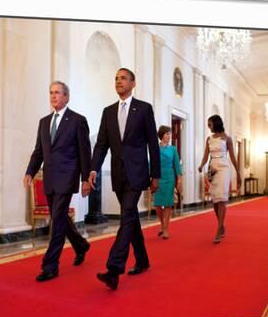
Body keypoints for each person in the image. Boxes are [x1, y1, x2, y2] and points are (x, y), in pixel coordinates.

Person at [88, 68, 160, 290]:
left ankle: (114, 268)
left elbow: (152, 144)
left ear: (133, 83)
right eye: (116, 78)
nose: (119, 81)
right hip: (118, 174)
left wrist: (155, 174)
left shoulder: (144, 109)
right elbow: (101, 144)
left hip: (138, 173)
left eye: (123, 78)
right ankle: (143, 259)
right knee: (131, 219)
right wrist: (93, 169)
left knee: (126, 215)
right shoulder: (108, 112)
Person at [24, 81, 92, 282]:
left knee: (57, 219)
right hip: (50, 178)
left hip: (67, 176)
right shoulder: (44, 122)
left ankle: (50, 265)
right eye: (51, 93)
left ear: (66, 97)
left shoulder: (78, 121)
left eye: (57, 93)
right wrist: (30, 171)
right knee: (59, 217)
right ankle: (80, 245)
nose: (53, 96)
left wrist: (86, 179)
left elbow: (84, 153)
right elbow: (39, 151)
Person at [197, 114, 241, 243]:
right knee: (215, 200)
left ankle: (218, 227)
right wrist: (201, 165)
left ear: (216, 123)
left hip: (224, 167)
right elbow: (205, 156)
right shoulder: (209, 139)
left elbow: (232, 157)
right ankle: (221, 225)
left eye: (210, 124)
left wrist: (238, 173)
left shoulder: (227, 139)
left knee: (221, 198)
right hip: (213, 168)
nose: (208, 126)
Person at [152, 125, 182, 239]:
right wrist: (151, 177)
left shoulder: (173, 149)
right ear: (161, 136)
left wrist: (179, 179)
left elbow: (177, 165)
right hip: (158, 177)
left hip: (169, 177)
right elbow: (152, 163)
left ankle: (165, 229)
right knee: (158, 204)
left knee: (168, 203)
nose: (169, 136)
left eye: (170, 133)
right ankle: (162, 224)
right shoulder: (155, 148)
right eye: (167, 134)